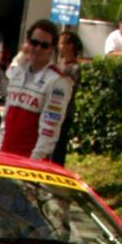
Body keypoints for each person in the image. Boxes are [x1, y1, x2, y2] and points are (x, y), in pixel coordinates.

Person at [0, 19, 71, 162]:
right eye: (34, 43)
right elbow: (6, 118)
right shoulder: (18, 71)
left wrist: (32, 164)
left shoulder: (57, 81)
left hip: (30, 162)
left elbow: (49, 131)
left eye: (44, 45)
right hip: (5, 156)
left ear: (51, 49)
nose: (37, 48)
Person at [53, 27, 82, 164]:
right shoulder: (59, 64)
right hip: (51, 112)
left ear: (70, 46)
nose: (59, 46)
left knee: (58, 148)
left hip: (64, 113)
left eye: (61, 43)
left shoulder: (75, 68)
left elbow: (68, 88)